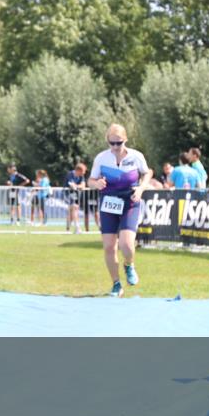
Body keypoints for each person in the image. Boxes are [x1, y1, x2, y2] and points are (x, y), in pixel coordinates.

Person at [87, 123, 152, 297]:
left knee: (126, 244)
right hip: (109, 203)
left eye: (119, 143)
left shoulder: (136, 156)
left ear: (126, 140)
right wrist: (96, 183)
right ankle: (116, 284)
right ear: (107, 141)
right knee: (109, 247)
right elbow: (90, 180)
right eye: (112, 143)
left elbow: (147, 173)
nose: (115, 147)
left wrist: (141, 189)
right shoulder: (101, 158)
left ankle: (129, 264)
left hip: (130, 202)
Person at [64, 162, 87, 233]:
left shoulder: (81, 176)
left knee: (72, 211)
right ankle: (77, 227)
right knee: (74, 208)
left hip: (76, 194)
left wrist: (77, 186)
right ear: (78, 170)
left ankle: (67, 229)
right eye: (83, 171)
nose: (84, 173)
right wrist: (78, 186)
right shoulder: (70, 174)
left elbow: (83, 186)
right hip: (68, 194)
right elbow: (72, 185)